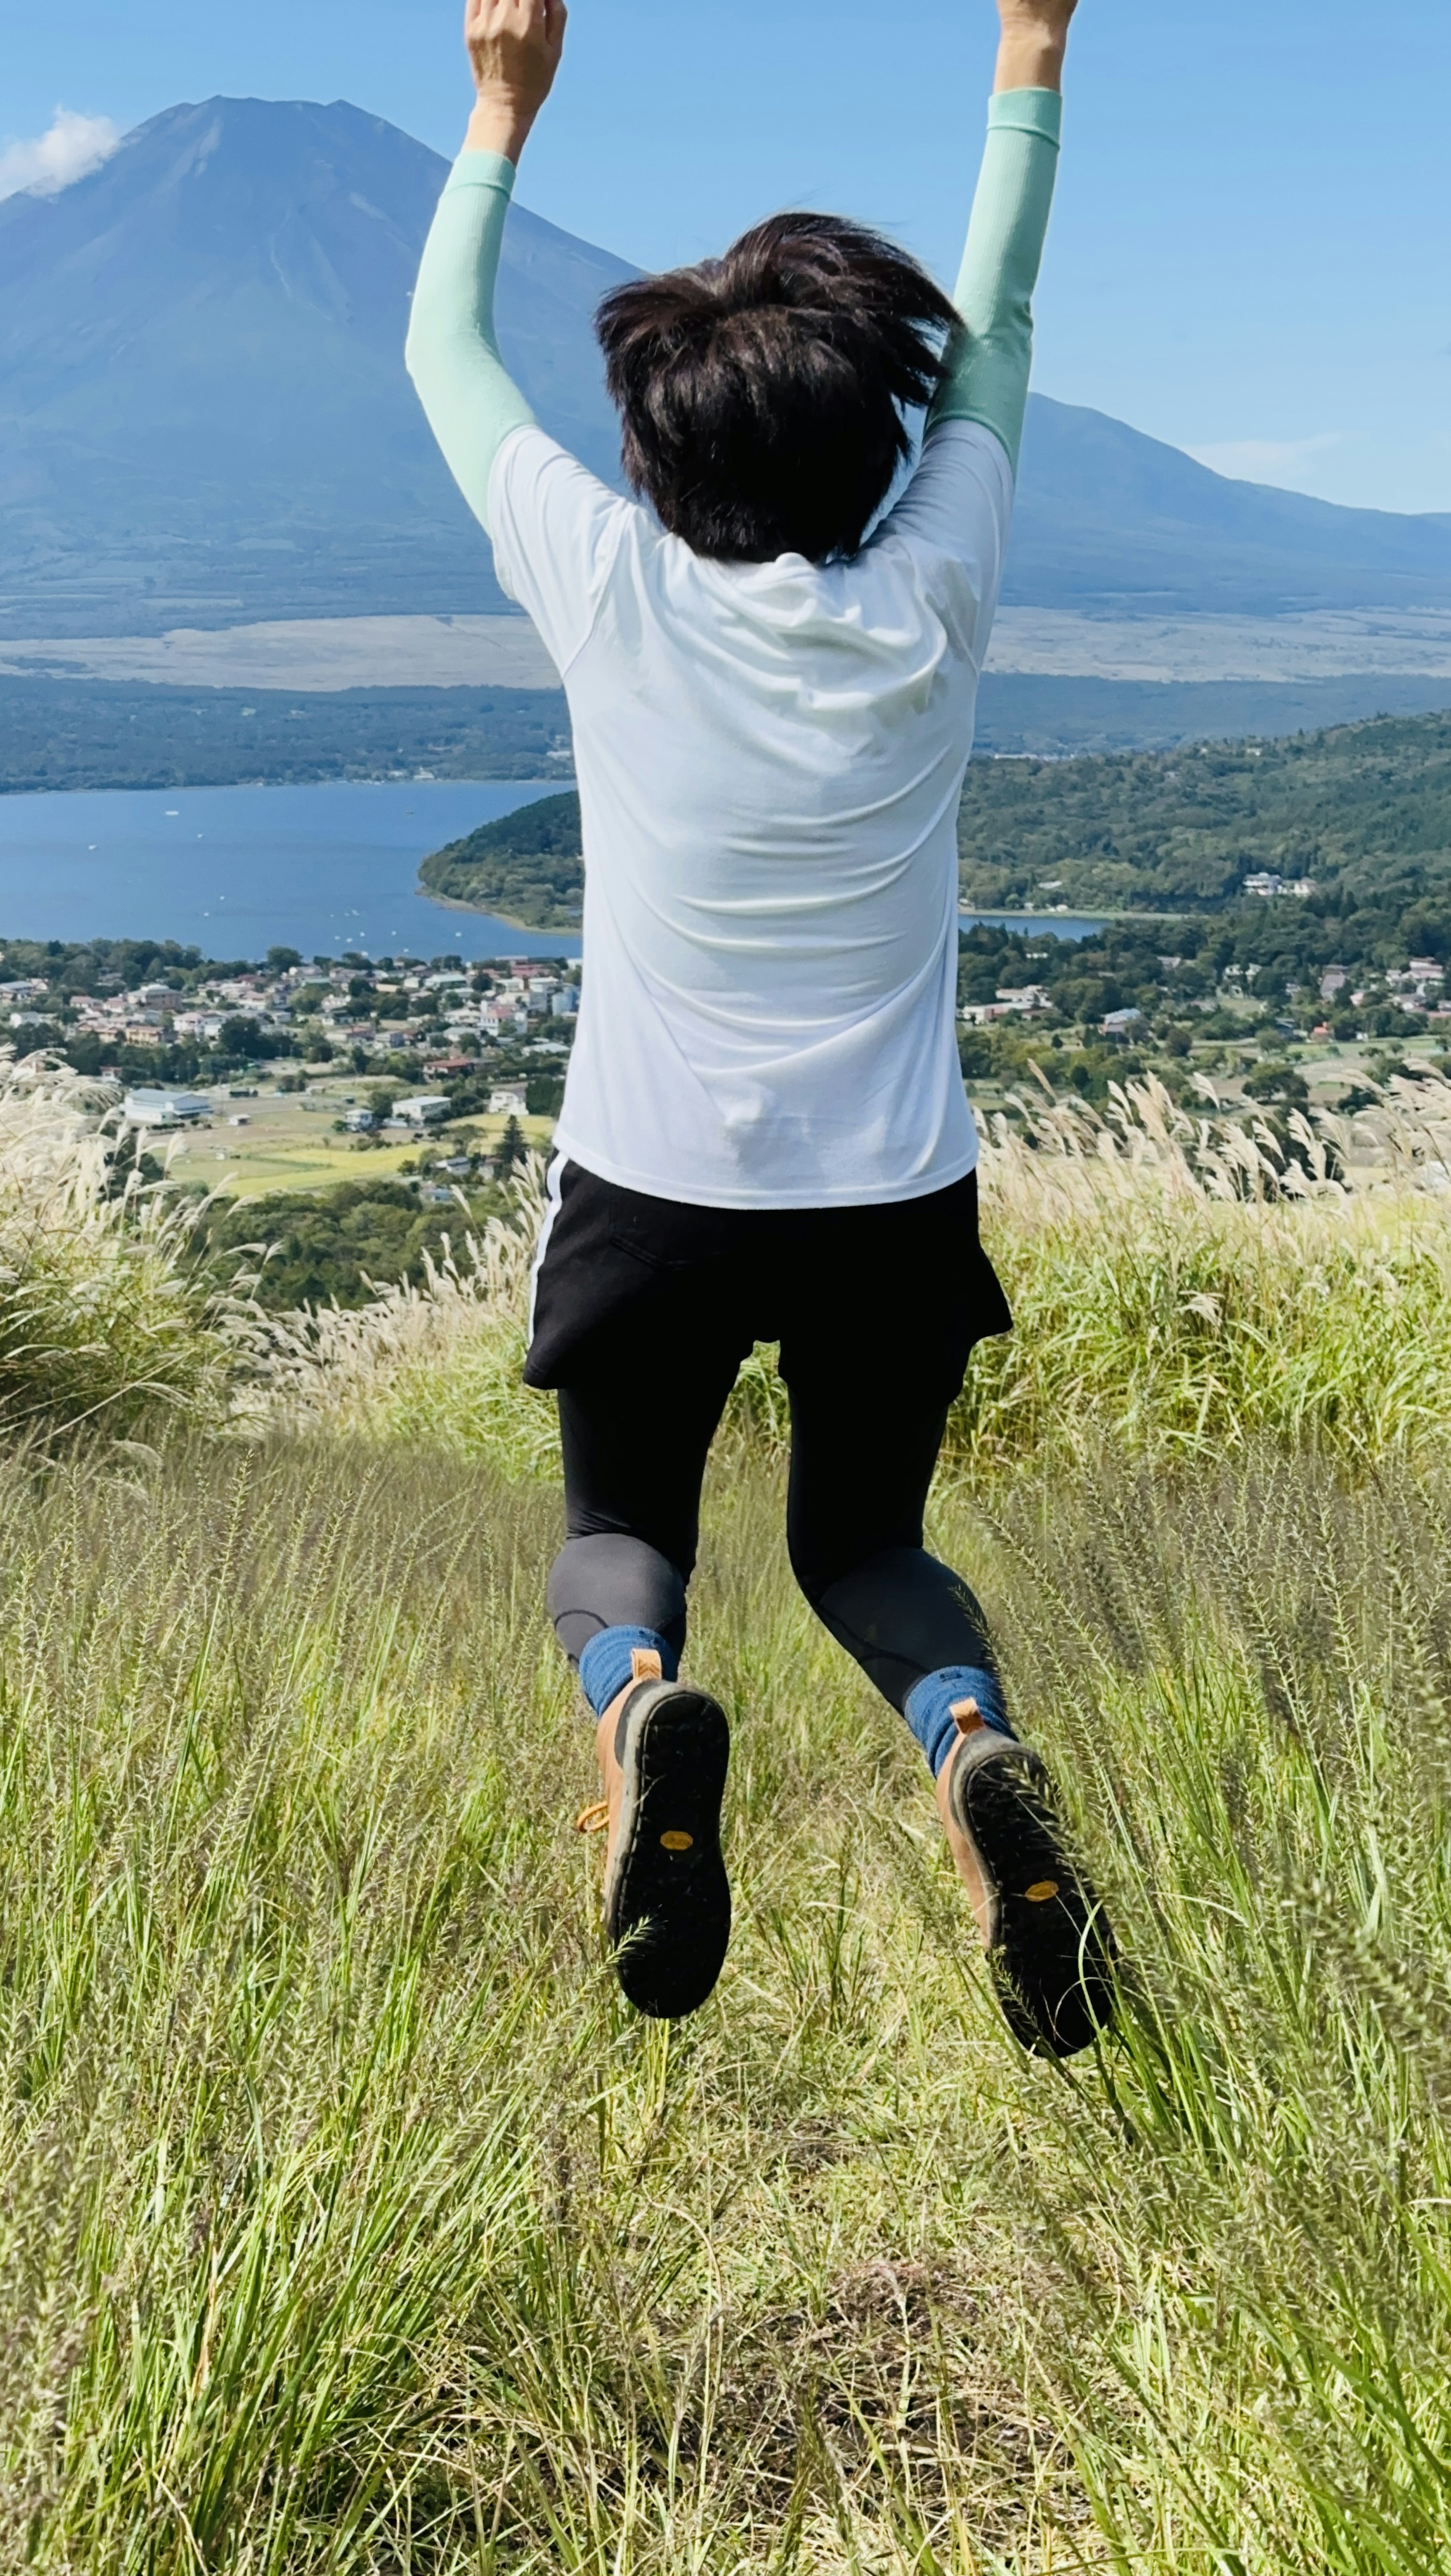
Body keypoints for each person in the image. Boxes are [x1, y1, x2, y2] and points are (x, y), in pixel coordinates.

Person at [407, 0, 1114, 2054]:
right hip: (894, 1196)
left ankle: (642, 1713)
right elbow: (998, 321)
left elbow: (444, 356)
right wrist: (1032, 42)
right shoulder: (934, 598)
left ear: (653, 450)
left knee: (622, 1533)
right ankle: (969, 1744)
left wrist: (500, 104)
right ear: (884, 448)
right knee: (871, 1542)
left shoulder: (608, 589)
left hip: (649, 1191)